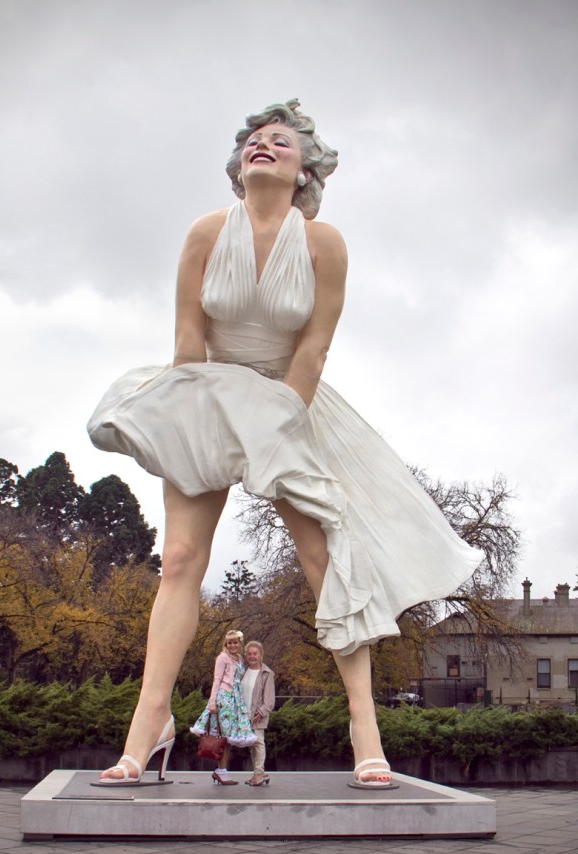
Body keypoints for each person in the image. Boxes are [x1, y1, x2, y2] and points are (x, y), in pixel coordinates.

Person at [88, 98, 483, 789]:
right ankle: (149, 723)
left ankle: (365, 724)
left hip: (291, 403)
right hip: (209, 394)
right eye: (253, 141)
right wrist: (189, 422)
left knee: (325, 557)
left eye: (280, 141)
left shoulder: (324, 243)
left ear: (305, 169)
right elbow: (188, 341)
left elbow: (314, 350)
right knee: (179, 556)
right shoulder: (206, 233)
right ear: (240, 166)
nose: (262, 146)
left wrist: (274, 429)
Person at [190, 629, 258, 785]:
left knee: (228, 738)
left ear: (240, 643)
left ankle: (221, 771)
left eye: (235, 642)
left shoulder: (240, 658)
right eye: (230, 643)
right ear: (226, 644)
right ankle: (221, 772)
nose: (233, 645)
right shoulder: (222, 658)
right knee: (224, 736)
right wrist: (213, 702)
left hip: (236, 699)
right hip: (224, 698)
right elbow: (217, 679)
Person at [241, 640, 275, 786]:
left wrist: (260, 713)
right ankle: (258, 773)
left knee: (258, 743)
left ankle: (259, 774)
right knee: (251, 745)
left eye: (255, 653)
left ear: (261, 655)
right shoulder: (243, 670)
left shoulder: (267, 674)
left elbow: (269, 700)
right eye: (249, 654)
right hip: (244, 714)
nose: (252, 656)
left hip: (257, 715)